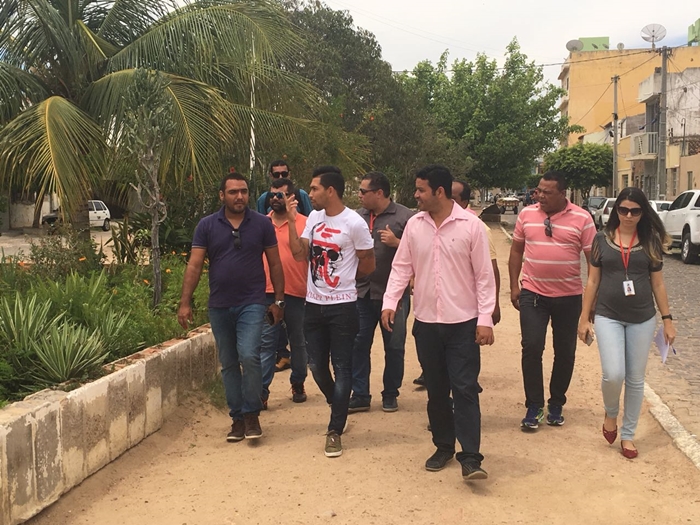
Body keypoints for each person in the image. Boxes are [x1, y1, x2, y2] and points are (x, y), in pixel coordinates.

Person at [382, 164, 496, 481]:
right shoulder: (414, 226)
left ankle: (471, 457)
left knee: (465, 389)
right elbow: (401, 268)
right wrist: (390, 302)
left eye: (421, 190)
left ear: (440, 192)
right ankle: (443, 446)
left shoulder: (471, 226)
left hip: (463, 324)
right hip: (427, 323)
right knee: (436, 390)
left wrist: (485, 319)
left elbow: (484, 277)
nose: (416, 195)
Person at [178, 171, 284, 442]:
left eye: (244, 191)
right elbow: (195, 264)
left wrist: (278, 301)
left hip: (252, 302)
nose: (240, 196)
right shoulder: (207, 225)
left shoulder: (261, 224)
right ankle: (237, 418)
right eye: (233, 192)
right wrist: (185, 302)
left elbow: (275, 263)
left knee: (249, 355)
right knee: (228, 362)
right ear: (222, 196)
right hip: (220, 305)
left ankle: (252, 414)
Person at [577, 187, 676, 459]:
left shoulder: (651, 241)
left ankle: (629, 434)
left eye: (635, 211)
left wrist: (667, 320)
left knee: (635, 379)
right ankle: (611, 413)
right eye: (623, 210)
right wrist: (584, 318)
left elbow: (658, 283)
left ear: (643, 213)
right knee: (613, 373)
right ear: (616, 210)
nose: (628, 216)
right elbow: (592, 280)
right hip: (608, 315)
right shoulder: (602, 239)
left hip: (642, 318)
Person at [286, 166, 375, 457]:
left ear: (330, 191)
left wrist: (347, 280)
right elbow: (299, 253)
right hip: (314, 305)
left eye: (314, 189)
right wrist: (291, 222)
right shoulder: (313, 218)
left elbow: (368, 262)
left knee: (343, 367)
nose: (309, 194)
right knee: (316, 366)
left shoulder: (354, 223)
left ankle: (335, 430)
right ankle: (338, 404)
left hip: (343, 306)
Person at [508, 171, 595, 431]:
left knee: (565, 351)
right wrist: (514, 285)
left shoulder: (583, 218)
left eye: (547, 192)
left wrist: (591, 301)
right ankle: (534, 405)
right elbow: (516, 250)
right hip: (533, 293)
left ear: (563, 194)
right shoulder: (526, 215)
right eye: (538, 191)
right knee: (532, 347)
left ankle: (556, 402)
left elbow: (594, 262)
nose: (540, 196)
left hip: (569, 297)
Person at [412, 178, 501, 387]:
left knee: (463, 383)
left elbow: (488, 272)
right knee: (437, 385)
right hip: (430, 318)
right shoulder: (418, 224)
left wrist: (490, 310)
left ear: (462, 201)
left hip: (463, 319)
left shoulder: (475, 227)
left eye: (451, 196)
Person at [348, 171, 414, 413]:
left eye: (363, 191)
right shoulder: (357, 217)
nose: (359, 195)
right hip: (362, 293)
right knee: (358, 344)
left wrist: (397, 243)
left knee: (394, 347)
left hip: (394, 296)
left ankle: (390, 393)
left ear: (379, 193)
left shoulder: (406, 217)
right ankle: (360, 394)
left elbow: (422, 252)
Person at [257, 161, 311, 372]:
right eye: (272, 196)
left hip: (296, 291)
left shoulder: (307, 223)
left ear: (291, 197)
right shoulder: (261, 224)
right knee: (267, 343)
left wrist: (291, 219)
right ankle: (263, 388)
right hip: (267, 291)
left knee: (298, 341)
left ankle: (298, 381)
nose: (275, 199)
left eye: (280, 195)